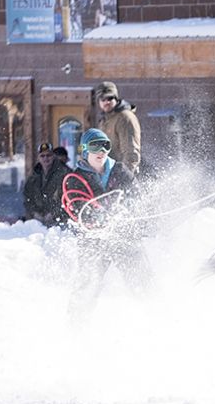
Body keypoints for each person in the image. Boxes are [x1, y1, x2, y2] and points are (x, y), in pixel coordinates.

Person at [62, 128, 151, 320]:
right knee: (86, 285)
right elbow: (76, 208)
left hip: (123, 236)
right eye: (95, 146)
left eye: (106, 146)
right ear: (85, 150)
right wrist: (96, 218)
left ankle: (159, 317)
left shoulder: (119, 170)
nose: (101, 151)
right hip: (93, 241)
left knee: (143, 281)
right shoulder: (76, 179)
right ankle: (76, 325)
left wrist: (125, 212)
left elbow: (136, 197)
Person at [94, 81, 141, 175]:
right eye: (103, 99)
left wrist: (125, 175)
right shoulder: (103, 121)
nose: (106, 102)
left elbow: (131, 151)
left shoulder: (125, 118)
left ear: (116, 98)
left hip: (122, 173)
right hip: (108, 173)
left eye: (110, 98)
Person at [23, 142, 71, 226]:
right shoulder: (34, 176)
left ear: (53, 156)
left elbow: (68, 197)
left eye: (48, 155)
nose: (45, 158)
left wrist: (54, 213)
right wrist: (34, 213)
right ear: (38, 158)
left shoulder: (64, 173)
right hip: (38, 222)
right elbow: (28, 197)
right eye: (42, 156)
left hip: (60, 223)